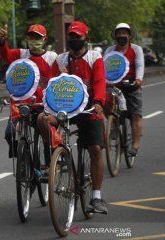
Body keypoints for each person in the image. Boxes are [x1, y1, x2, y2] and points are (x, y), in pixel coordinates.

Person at [37, 21, 108, 214]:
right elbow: (50, 87)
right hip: (64, 110)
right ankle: (56, 154)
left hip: (88, 109)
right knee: (42, 119)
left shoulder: (95, 57)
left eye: (78, 37)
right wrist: (59, 77)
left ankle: (96, 197)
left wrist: (99, 103)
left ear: (86, 38)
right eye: (71, 37)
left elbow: (100, 82)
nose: (74, 40)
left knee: (94, 149)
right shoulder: (60, 60)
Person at [0, 23, 57, 158]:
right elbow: (5, 54)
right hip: (21, 104)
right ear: (27, 39)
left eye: (37, 37)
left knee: (47, 133)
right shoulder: (20, 54)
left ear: (45, 40)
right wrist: (2, 41)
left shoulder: (52, 57)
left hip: (44, 105)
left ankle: (51, 162)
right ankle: (22, 159)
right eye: (31, 36)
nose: (34, 40)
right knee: (9, 133)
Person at [104, 23, 144, 156]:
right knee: (104, 102)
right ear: (115, 36)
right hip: (114, 85)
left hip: (132, 84)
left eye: (124, 33)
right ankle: (113, 125)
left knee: (135, 114)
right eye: (119, 33)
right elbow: (103, 67)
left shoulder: (136, 49)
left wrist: (138, 80)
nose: (122, 36)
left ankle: (135, 145)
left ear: (129, 36)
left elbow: (139, 65)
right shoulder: (110, 51)